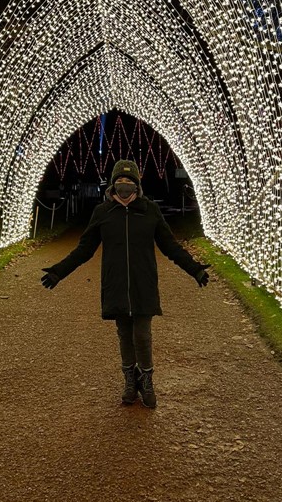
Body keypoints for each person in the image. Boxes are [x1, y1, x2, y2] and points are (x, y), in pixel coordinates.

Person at [41, 160, 210, 408]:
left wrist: (194, 269)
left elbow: (170, 246)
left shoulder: (149, 210)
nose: (125, 187)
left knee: (142, 334)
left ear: (137, 186)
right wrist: (58, 272)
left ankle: (147, 378)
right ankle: (130, 379)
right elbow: (84, 250)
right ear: (113, 185)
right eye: (120, 182)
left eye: (129, 183)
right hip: (116, 284)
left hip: (143, 284)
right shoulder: (103, 212)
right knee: (124, 334)